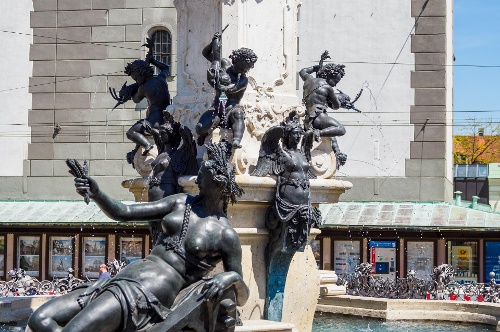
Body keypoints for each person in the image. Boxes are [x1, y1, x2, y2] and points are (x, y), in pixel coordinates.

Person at [27, 142, 248, 332]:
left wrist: (230, 277)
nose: (197, 179)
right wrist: (97, 193)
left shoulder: (225, 234)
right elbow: (125, 212)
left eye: (203, 176)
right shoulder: (181, 202)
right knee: (40, 320)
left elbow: (243, 296)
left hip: (151, 289)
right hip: (127, 275)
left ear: (219, 184)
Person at [251, 112, 321, 253]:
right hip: (288, 199)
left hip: (304, 200)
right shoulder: (282, 154)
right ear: (288, 135)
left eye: (299, 134)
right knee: (284, 238)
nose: (297, 136)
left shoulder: (302, 154)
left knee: (300, 235)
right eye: (294, 134)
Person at [196, 32, 258, 149]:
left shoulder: (243, 79)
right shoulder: (223, 64)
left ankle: (236, 140)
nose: (244, 71)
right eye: (242, 68)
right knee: (200, 127)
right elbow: (206, 53)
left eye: (247, 69)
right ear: (235, 61)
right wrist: (213, 42)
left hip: (231, 110)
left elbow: (229, 90)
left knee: (239, 114)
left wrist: (213, 80)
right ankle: (204, 134)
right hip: (216, 108)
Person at [299, 50, 358, 169]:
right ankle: (317, 133)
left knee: (331, 134)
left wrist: (317, 68)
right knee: (340, 129)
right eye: (335, 80)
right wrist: (336, 100)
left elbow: (302, 71)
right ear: (329, 75)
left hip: (308, 117)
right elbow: (336, 106)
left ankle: (337, 153)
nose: (335, 84)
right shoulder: (328, 88)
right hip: (318, 117)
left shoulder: (309, 80)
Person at [110, 44, 171, 157]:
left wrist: (128, 91)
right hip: (166, 116)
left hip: (155, 119)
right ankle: (139, 149)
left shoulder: (144, 88)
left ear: (142, 74)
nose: (137, 81)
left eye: (136, 78)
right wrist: (153, 60)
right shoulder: (161, 79)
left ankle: (148, 146)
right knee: (140, 131)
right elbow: (166, 68)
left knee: (131, 132)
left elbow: (136, 99)